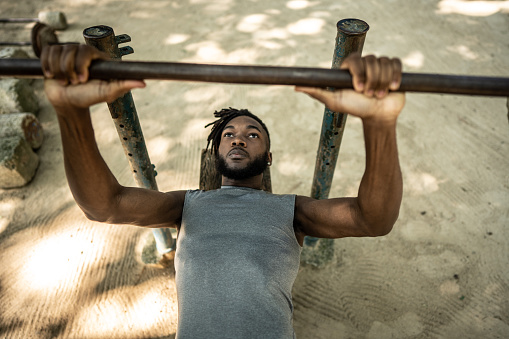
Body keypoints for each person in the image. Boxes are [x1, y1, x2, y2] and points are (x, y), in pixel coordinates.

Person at [41, 44, 404, 339]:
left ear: (269, 157)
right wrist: (71, 112)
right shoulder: (186, 205)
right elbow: (105, 205)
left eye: (252, 134)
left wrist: (379, 123)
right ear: (216, 152)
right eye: (228, 134)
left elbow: (372, 219)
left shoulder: (291, 210)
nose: (239, 139)